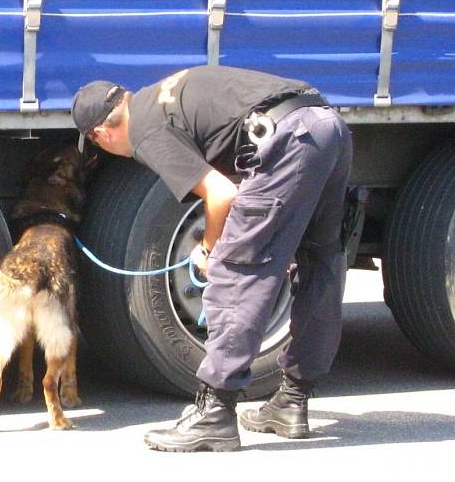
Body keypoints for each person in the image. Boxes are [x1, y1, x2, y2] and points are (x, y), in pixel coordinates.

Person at [71, 65, 352, 452]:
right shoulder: (160, 95)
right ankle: (292, 400)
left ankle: (215, 413)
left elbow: (220, 194)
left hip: (289, 139)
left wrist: (208, 248)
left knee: (236, 270)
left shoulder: (145, 131)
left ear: (100, 134)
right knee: (320, 261)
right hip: (325, 124)